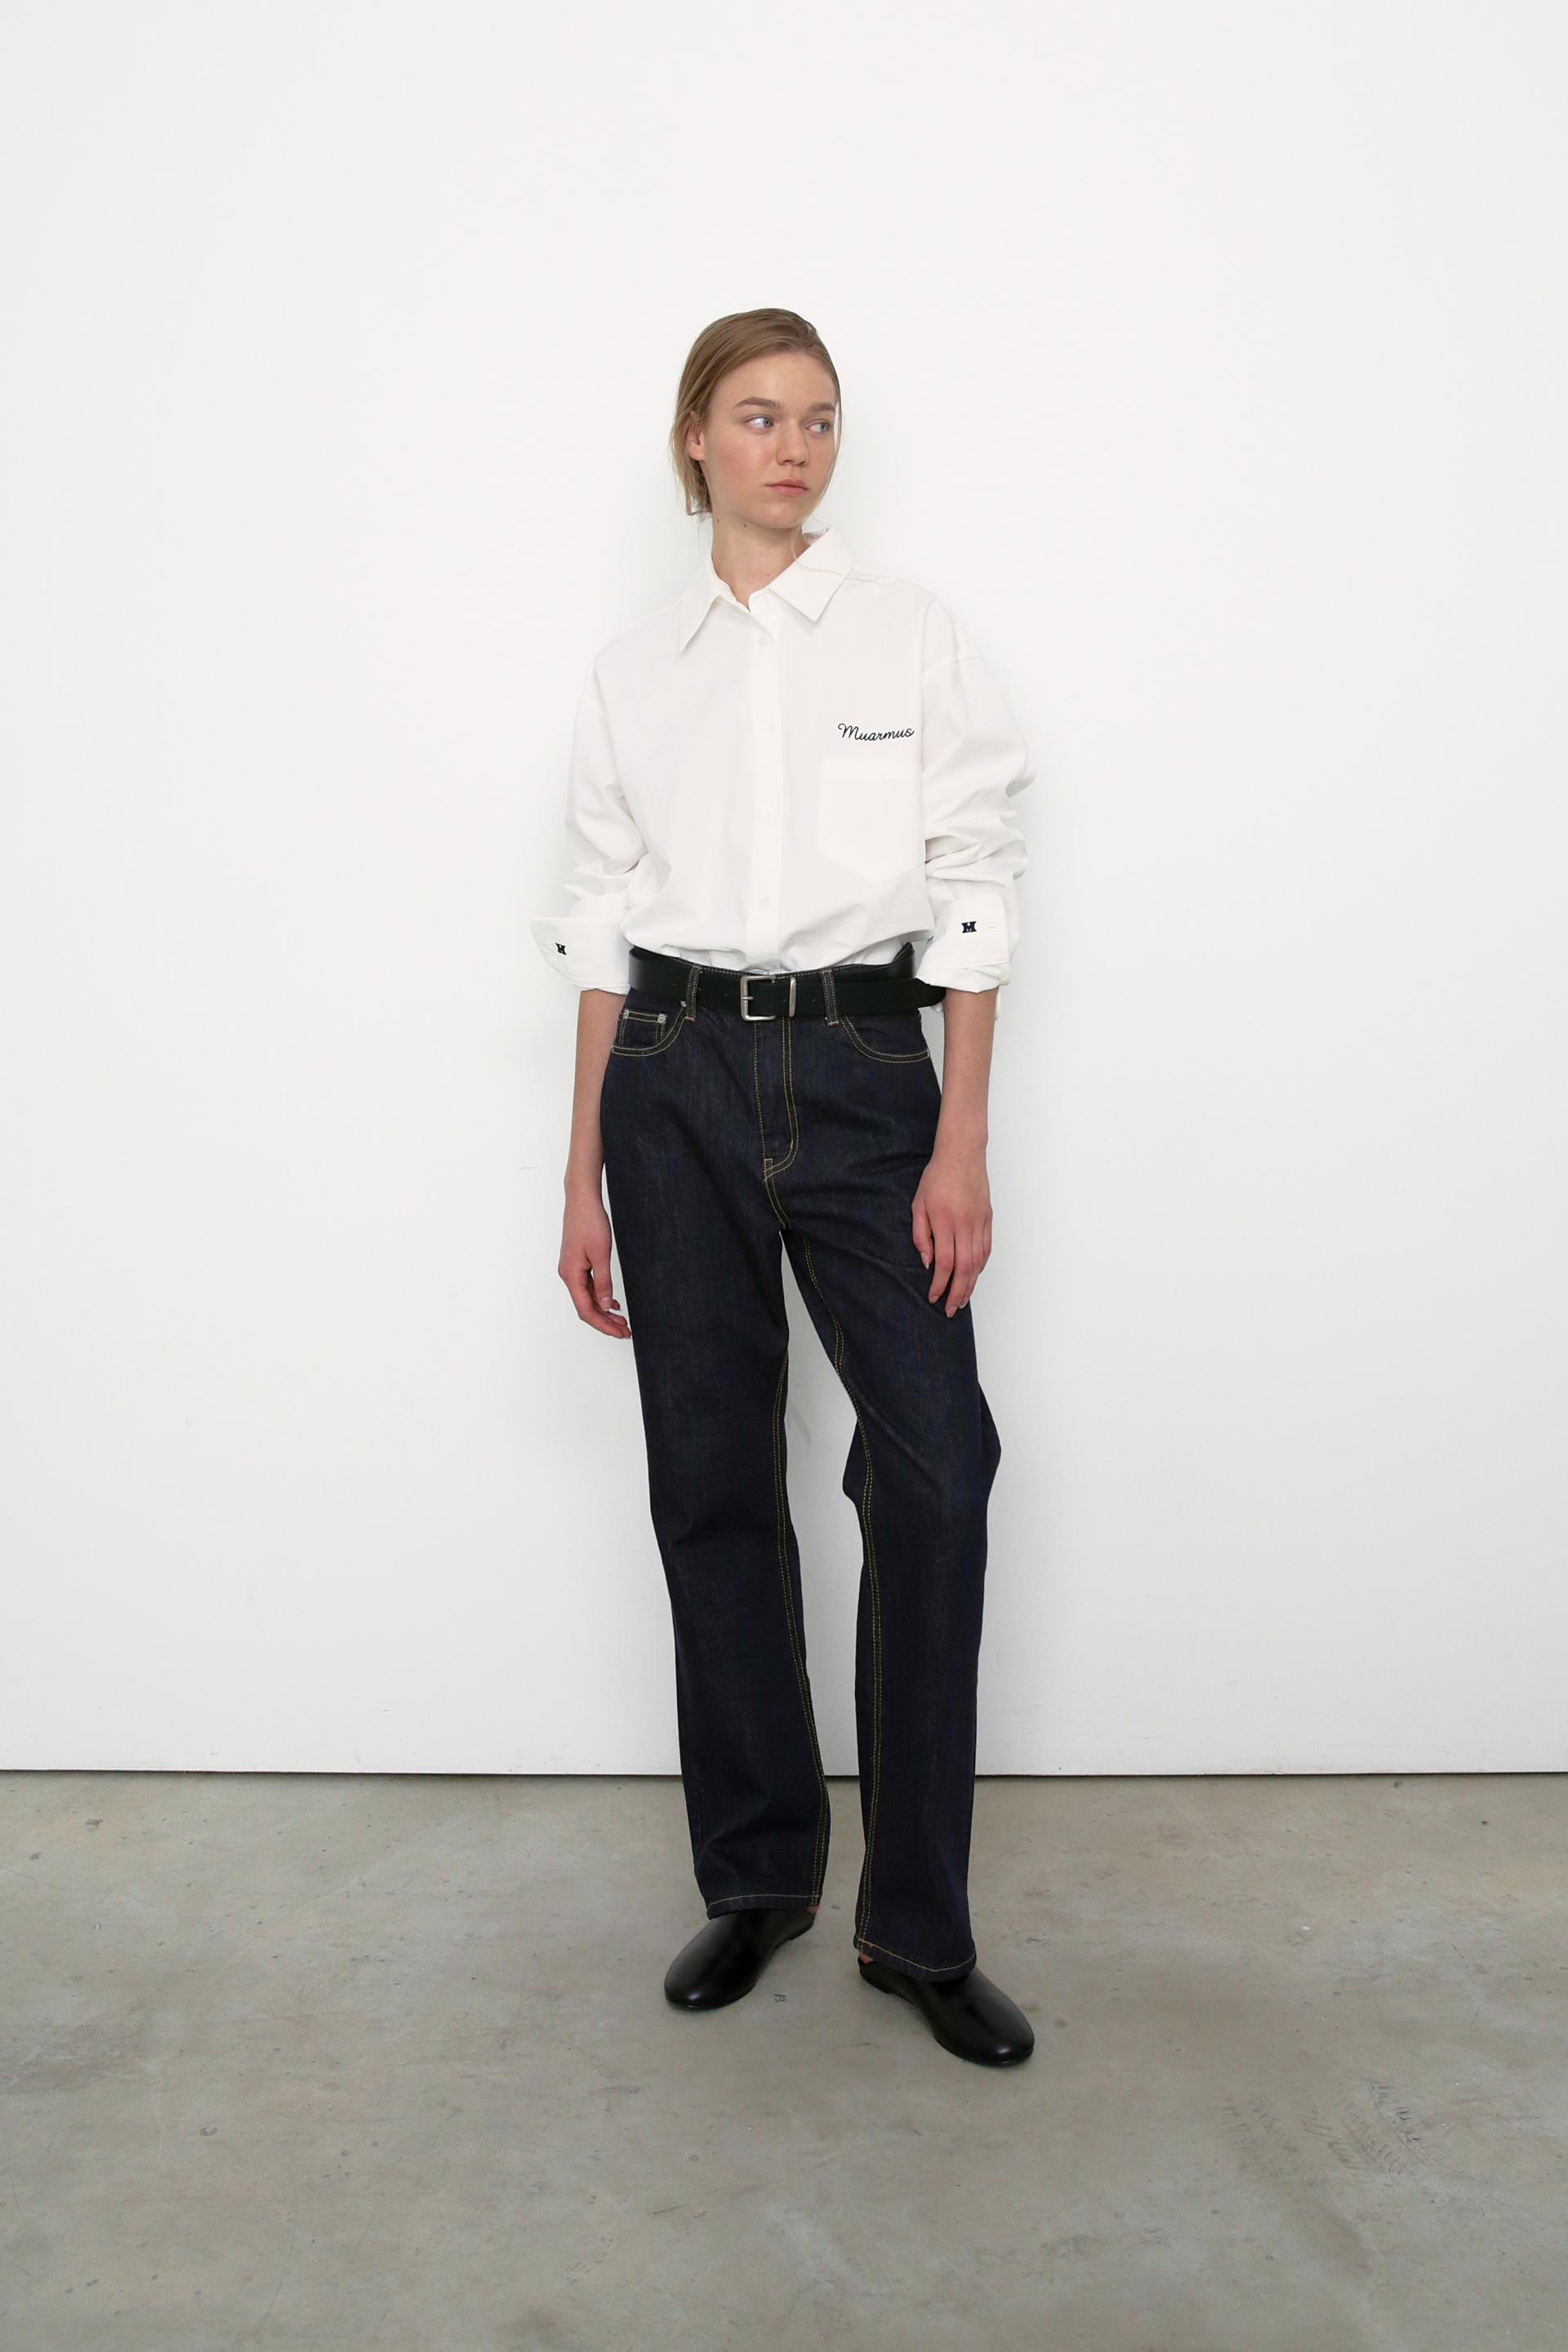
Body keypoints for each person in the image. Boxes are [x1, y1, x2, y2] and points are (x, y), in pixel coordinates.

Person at [530, 308, 1036, 2067]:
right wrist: (582, 1166)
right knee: (711, 1478)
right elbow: (600, 922)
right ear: (694, 439)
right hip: (669, 1079)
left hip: (867, 1077)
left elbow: (975, 886)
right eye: (757, 417)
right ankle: (756, 1877)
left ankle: (919, 1928)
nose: (794, 448)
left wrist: (963, 1137)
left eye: (818, 419)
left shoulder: (911, 635)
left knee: (938, 1467)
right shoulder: (635, 669)